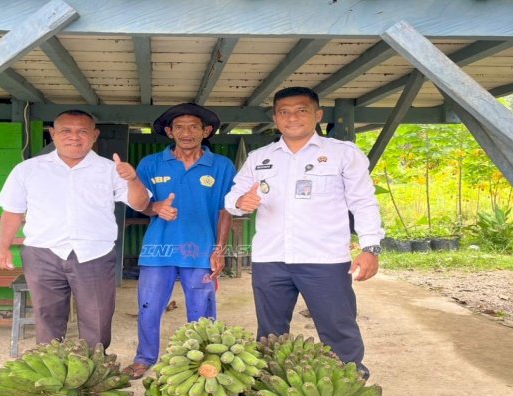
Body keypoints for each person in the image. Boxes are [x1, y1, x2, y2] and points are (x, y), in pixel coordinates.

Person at [224, 87, 384, 377]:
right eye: (284, 112)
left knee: (337, 326)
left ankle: (347, 384)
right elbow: (233, 197)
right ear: (275, 118)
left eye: (301, 110)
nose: (292, 117)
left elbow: (363, 201)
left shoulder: (342, 154)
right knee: (270, 333)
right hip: (270, 259)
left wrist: (370, 247)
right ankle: (270, 389)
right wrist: (239, 202)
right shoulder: (260, 158)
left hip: (324, 259)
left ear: (317, 115)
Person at [0, 110, 150, 350]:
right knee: (47, 316)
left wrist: (133, 179)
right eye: (66, 131)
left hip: (94, 254)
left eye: (82, 131)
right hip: (42, 253)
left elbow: (141, 204)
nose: (74, 137)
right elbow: (12, 212)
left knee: (97, 318)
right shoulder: (27, 169)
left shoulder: (110, 169)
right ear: (53, 134)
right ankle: (52, 367)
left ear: (94, 135)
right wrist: (3, 248)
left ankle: (94, 367)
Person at [122, 103, 236, 379]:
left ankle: (201, 360)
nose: (187, 132)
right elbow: (142, 204)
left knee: (201, 312)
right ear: (170, 132)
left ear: (205, 131)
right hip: (157, 249)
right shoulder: (150, 164)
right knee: (149, 307)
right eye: (180, 127)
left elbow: (225, 210)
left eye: (193, 126)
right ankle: (144, 357)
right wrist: (155, 207)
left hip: (200, 251)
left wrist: (219, 250)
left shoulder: (221, 166)